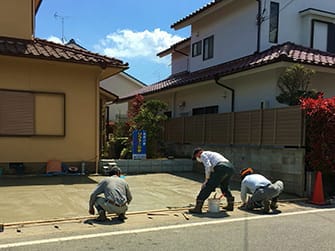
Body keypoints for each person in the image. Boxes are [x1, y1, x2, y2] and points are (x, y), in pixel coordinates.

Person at [189, 147, 235, 214]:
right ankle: (230, 205)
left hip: (221, 167)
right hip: (230, 168)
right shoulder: (212, 154)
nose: (198, 158)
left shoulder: (203, 154)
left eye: (197, 156)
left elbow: (208, 166)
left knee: (208, 187)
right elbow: (212, 168)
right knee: (224, 186)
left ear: (199, 153)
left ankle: (198, 207)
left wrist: (206, 180)